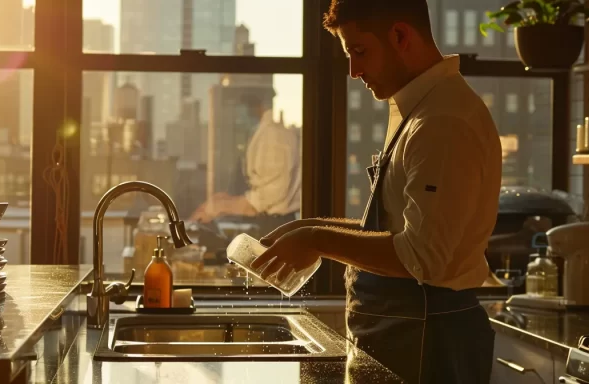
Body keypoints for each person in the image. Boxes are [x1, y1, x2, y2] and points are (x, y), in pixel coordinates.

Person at [251, 1, 502, 383]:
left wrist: (316, 239)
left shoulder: (443, 123)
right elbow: (406, 231)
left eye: (360, 52)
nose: (354, 72)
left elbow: (423, 258)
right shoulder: (422, 110)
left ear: (401, 36)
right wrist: (310, 228)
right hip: (408, 338)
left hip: (428, 343)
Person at [189, 95, 301, 237]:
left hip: (278, 226)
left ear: (255, 105)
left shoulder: (275, 135)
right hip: (269, 223)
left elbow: (270, 197)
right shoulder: (264, 132)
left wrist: (218, 207)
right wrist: (221, 200)